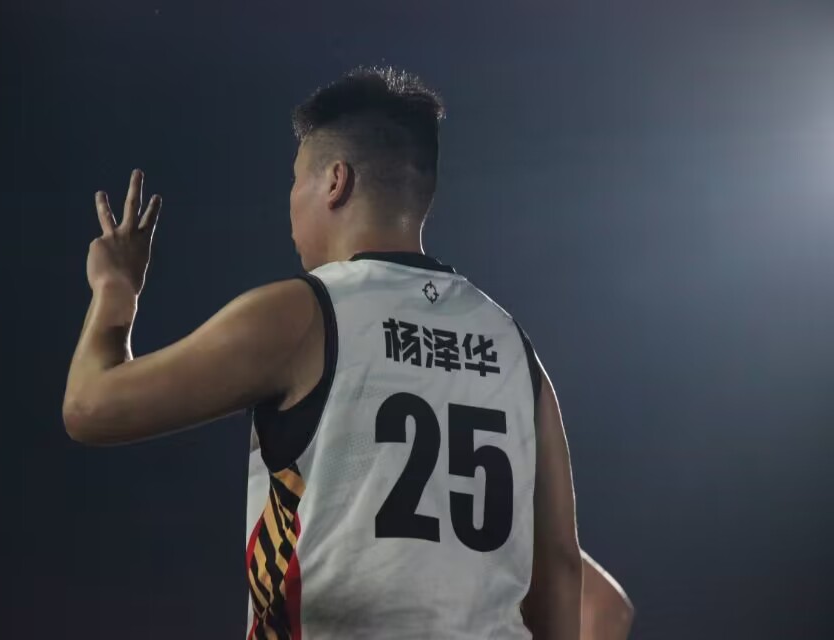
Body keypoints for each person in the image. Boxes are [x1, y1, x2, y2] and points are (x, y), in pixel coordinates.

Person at [65, 66, 596, 639]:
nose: (291, 204)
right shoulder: (514, 347)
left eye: (297, 180)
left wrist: (115, 287)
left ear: (335, 181)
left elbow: (90, 408)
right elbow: (560, 564)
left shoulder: (304, 313)